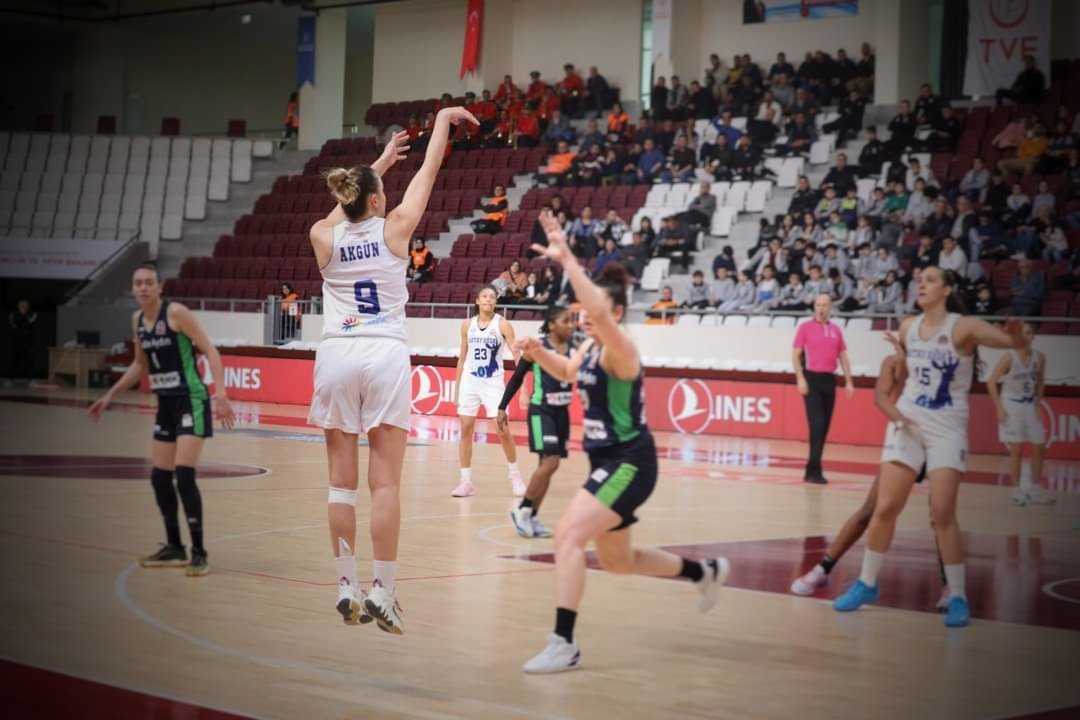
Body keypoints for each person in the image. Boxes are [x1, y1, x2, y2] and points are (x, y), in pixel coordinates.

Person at [516, 212, 729, 674]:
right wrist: (537, 353)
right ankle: (704, 572)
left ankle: (564, 643)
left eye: (591, 309)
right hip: (610, 461)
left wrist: (568, 257)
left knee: (569, 535)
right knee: (618, 560)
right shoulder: (590, 347)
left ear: (612, 312)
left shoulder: (622, 347)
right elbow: (568, 373)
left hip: (631, 461)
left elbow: (593, 306)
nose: (581, 314)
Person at [304, 113, 473, 634]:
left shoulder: (322, 236)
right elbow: (428, 169)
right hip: (383, 352)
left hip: (336, 352)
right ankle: (383, 590)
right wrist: (443, 119)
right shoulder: (396, 226)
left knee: (340, 486)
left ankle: (344, 586)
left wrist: (374, 167)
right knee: (385, 486)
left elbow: (342, 212)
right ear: (377, 200)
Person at [833, 267, 1025, 628]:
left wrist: (1014, 338)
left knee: (942, 513)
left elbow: (1007, 342)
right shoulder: (908, 326)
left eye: (931, 279)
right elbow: (908, 372)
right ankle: (867, 583)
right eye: (919, 279)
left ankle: (957, 595)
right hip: (908, 420)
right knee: (885, 506)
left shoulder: (964, 325)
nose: (921, 283)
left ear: (947, 289)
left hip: (947, 428)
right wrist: (896, 401)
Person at [89, 264, 236, 577]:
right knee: (159, 478)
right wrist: (110, 394)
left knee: (183, 476)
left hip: (191, 399)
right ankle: (174, 547)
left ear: (159, 287)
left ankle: (199, 552)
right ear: (133, 288)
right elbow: (139, 364)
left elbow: (210, 351)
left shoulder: (177, 313)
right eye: (138, 283)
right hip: (165, 403)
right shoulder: (137, 320)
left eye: (148, 283)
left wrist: (220, 393)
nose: (143, 288)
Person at [791, 352, 948, 606]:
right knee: (872, 509)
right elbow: (882, 398)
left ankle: (949, 586)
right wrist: (900, 419)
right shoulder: (895, 361)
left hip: (939, 436)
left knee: (940, 517)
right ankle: (822, 570)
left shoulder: (948, 358)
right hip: (906, 437)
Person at [497, 305, 577, 539]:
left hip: (562, 413)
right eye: (566, 321)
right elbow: (517, 377)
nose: (571, 325)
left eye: (572, 321)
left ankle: (532, 516)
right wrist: (502, 407)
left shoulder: (574, 348)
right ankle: (522, 510)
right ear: (552, 324)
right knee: (550, 462)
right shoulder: (536, 348)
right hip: (541, 412)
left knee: (550, 466)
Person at [453, 284, 525, 498]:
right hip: (470, 380)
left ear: (496, 301)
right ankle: (465, 481)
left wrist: (523, 389)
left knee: (502, 429)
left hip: (493, 382)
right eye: (484, 296)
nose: (488, 299)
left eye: (492, 297)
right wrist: (457, 387)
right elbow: (462, 356)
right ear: (477, 300)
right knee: (465, 428)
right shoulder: (467, 325)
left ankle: (515, 475)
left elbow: (518, 357)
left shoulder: (503, 325)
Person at [987, 323, 1055, 507]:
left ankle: (1035, 489)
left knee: (1040, 447)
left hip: (1030, 404)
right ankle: (1016, 491)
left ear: (1033, 336)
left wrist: (1038, 403)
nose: (1026, 336)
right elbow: (991, 382)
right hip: (1012, 405)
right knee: (1016, 449)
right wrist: (999, 408)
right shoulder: (1009, 357)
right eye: (1023, 332)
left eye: (1030, 332)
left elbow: (1040, 382)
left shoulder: (1039, 358)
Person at [792, 294, 856, 484]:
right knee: (817, 425)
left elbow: (843, 356)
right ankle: (814, 470)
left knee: (824, 426)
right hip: (812, 378)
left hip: (829, 380)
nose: (821, 308)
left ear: (830, 308)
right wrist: (800, 378)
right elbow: (796, 355)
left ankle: (811, 469)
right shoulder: (805, 328)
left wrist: (849, 381)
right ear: (814, 307)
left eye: (825, 305)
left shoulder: (836, 330)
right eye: (818, 305)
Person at [8, 299, 37, 382]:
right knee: (15, 360)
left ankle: (31, 379)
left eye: (25, 305)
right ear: (18, 306)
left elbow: (30, 323)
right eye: (21, 305)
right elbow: (13, 323)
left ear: (28, 306)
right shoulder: (13, 314)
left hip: (28, 341)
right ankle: (10, 379)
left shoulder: (33, 314)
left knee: (29, 361)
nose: (23, 307)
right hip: (17, 340)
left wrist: (23, 316)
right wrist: (21, 317)